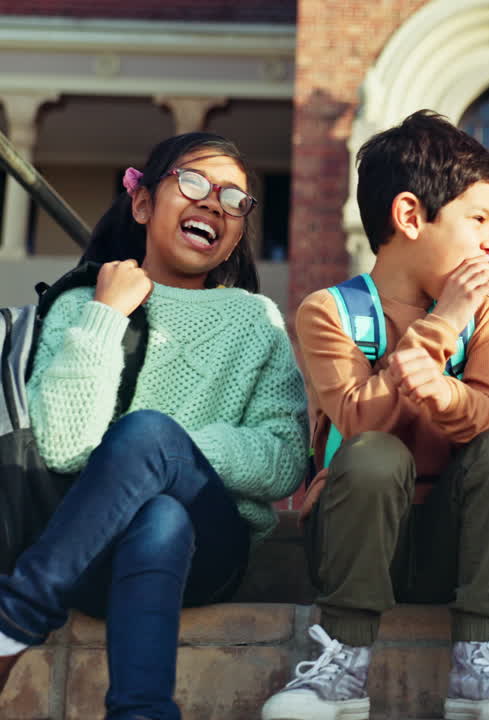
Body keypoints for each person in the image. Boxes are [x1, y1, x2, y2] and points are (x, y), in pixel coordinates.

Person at [0, 132, 309, 720]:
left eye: (236, 200)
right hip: (88, 551)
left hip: (210, 551)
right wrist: (106, 314)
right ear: (142, 203)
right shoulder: (81, 304)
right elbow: (65, 447)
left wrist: (172, 451)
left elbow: (285, 456)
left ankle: (15, 615)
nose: (215, 203)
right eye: (193, 183)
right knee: (157, 514)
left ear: (240, 229)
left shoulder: (255, 320)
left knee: (154, 448)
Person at [261, 110, 489, 720]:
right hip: (354, 546)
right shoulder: (329, 311)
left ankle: (482, 651)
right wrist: (441, 324)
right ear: (411, 216)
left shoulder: (485, 316)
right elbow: (357, 422)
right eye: (478, 219)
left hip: (454, 545)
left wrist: (445, 396)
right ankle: (343, 656)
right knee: (375, 452)